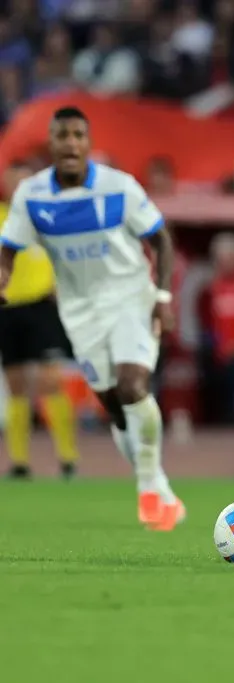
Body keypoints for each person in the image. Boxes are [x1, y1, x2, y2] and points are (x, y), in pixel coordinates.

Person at [0, 106, 185, 531]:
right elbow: (9, 245)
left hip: (129, 297)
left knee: (132, 384)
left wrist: (161, 295)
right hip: (79, 311)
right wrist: (4, 274)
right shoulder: (32, 194)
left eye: (78, 135)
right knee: (116, 409)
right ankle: (147, 476)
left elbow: (160, 237)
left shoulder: (118, 187)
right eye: (61, 135)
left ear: (87, 143)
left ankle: (152, 481)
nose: (70, 143)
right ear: (52, 143)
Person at [0, 161, 80, 478]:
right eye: (12, 182)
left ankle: (68, 458)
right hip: (7, 309)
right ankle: (19, 462)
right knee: (16, 385)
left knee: (50, 381)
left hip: (41, 306)